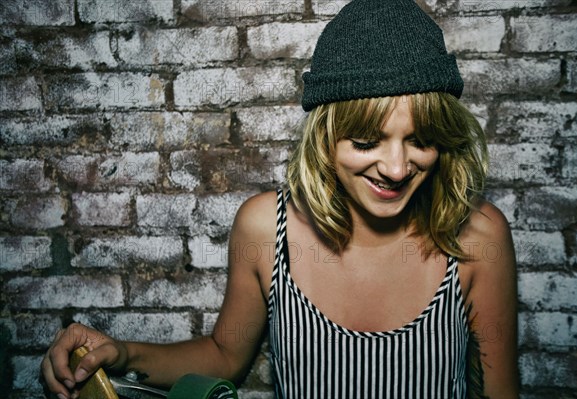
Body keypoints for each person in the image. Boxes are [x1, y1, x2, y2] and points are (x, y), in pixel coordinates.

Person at [41, 0, 518, 398]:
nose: (396, 168)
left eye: (420, 139)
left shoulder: (478, 236)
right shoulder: (266, 228)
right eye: (367, 142)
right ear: (325, 138)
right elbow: (225, 356)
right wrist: (121, 353)